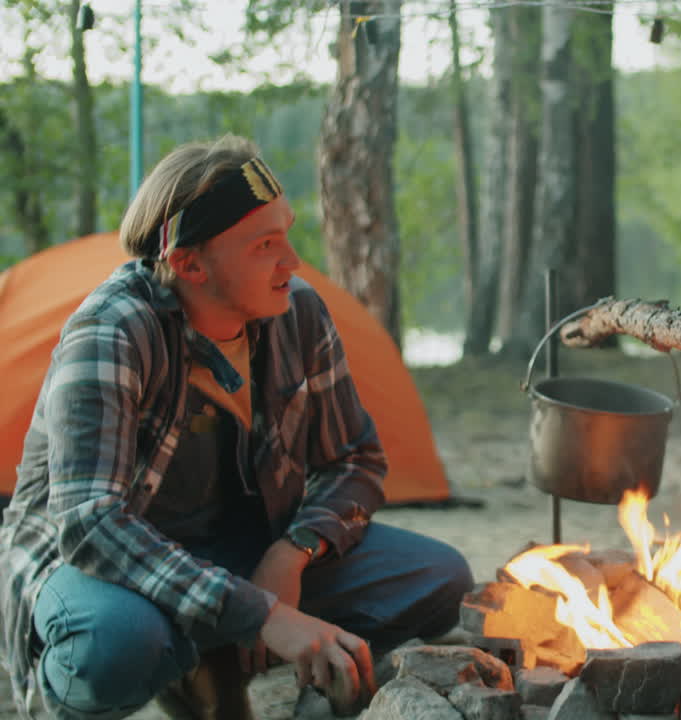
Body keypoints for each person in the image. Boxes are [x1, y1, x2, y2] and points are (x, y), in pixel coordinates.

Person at [0, 135, 474, 720]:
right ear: (189, 264)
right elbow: (90, 524)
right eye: (264, 245)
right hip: (108, 567)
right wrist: (260, 613)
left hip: (243, 548)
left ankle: (224, 665)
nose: (292, 261)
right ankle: (185, 659)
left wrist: (293, 552)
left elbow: (355, 459)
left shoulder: (298, 312)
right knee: (115, 648)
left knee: (437, 578)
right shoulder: (112, 332)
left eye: (286, 233)